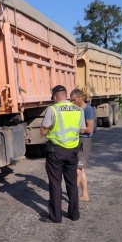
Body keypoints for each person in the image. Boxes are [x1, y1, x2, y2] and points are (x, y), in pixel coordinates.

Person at [40, 85, 85, 223]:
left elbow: (43, 131)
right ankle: (74, 214)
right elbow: (82, 130)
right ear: (65, 95)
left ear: (55, 97)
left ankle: (56, 216)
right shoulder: (79, 110)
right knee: (71, 183)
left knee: (55, 183)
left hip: (56, 152)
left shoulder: (52, 109)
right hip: (73, 151)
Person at [70, 88, 95, 204]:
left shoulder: (88, 110)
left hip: (84, 142)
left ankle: (73, 197)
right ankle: (85, 195)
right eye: (70, 100)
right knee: (81, 170)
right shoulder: (75, 110)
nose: (72, 102)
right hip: (77, 140)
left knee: (77, 170)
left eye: (73, 100)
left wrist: (73, 131)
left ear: (80, 98)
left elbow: (89, 129)